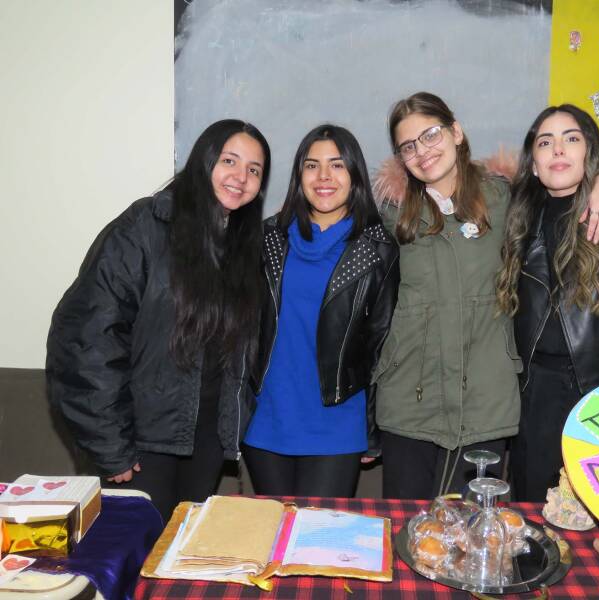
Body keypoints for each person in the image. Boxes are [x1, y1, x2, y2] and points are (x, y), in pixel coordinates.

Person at [372, 92, 599, 499]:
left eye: (431, 135)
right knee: (408, 526)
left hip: (485, 403)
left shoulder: (506, 198)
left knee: (472, 529)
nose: (422, 151)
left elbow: (561, 184)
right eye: (408, 146)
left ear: (456, 132)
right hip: (409, 402)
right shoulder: (392, 213)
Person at [46, 120, 270, 522]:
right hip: (140, 442)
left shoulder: (241, 246)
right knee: (136, 553)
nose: (241, 176)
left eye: (254, 169)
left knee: (182, 551)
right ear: (203, 161)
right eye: (229, 161)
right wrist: (110, 444)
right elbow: (87, 337)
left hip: (204, 443)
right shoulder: (146, 226)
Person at [497, 104, 599, 502]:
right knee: (534, 515)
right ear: (534, 164)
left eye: (571, 139)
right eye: (545, 142)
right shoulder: (516, 219)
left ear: (589, 151)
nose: (558, 150)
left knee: (598, 513)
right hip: (532, 398)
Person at [244, 125, 399, 498]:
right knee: (274, 529)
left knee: (319, 530)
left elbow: (381, 345)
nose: (324, 176)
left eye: (337, 165)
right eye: (312, 165)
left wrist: (372, 427)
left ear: (355, 175)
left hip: (337, 421)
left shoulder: (378, 248)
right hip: (267, 418)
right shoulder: (267, 238)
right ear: (299, 176)